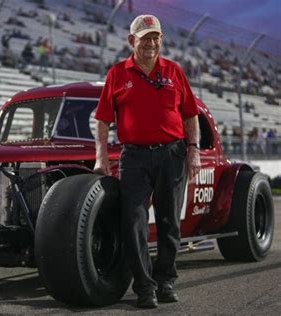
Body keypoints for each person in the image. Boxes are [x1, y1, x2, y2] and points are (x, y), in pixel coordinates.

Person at [94, 14, 200, 309]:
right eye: (145, 38)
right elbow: (103, 120)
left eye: (156, 37)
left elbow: (190, 114)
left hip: (172, 154)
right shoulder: (117, 73)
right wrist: (100, 156)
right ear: (132, 41)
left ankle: (165, 280)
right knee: (134, 221)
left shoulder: (175, 71)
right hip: (135, 157)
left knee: (169, 222)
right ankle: (144, 287)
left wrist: (193, 149)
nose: (152, 43)